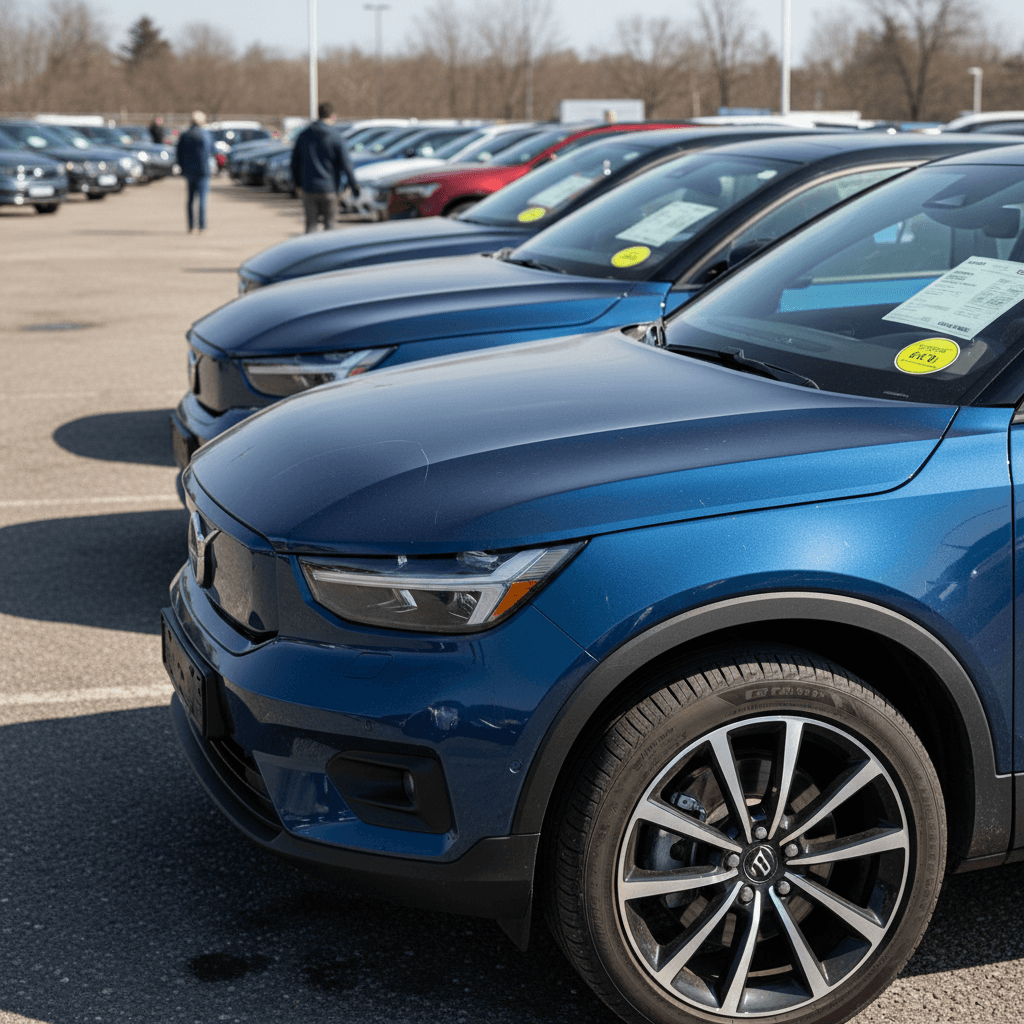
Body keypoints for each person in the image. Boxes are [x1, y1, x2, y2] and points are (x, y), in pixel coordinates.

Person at [290, 102, 359, 232]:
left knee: (311, 226)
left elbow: (294, 163)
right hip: (330, 189)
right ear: (332, 116)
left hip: (309, 188)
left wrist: (297, 184)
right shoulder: (336, 137)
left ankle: (311, 251)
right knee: (330, 228)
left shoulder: (304, 135)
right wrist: (354, 186)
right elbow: (346, 164)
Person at [175, 111, 214, 234]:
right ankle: (201, 226)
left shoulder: (185, 135)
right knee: (202, 199)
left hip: (189, 171)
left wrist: (182, 167)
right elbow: (212, 150)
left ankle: (191, 226)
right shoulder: (205, 134)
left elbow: (178, 153)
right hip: (203, 171)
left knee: (190, 199)